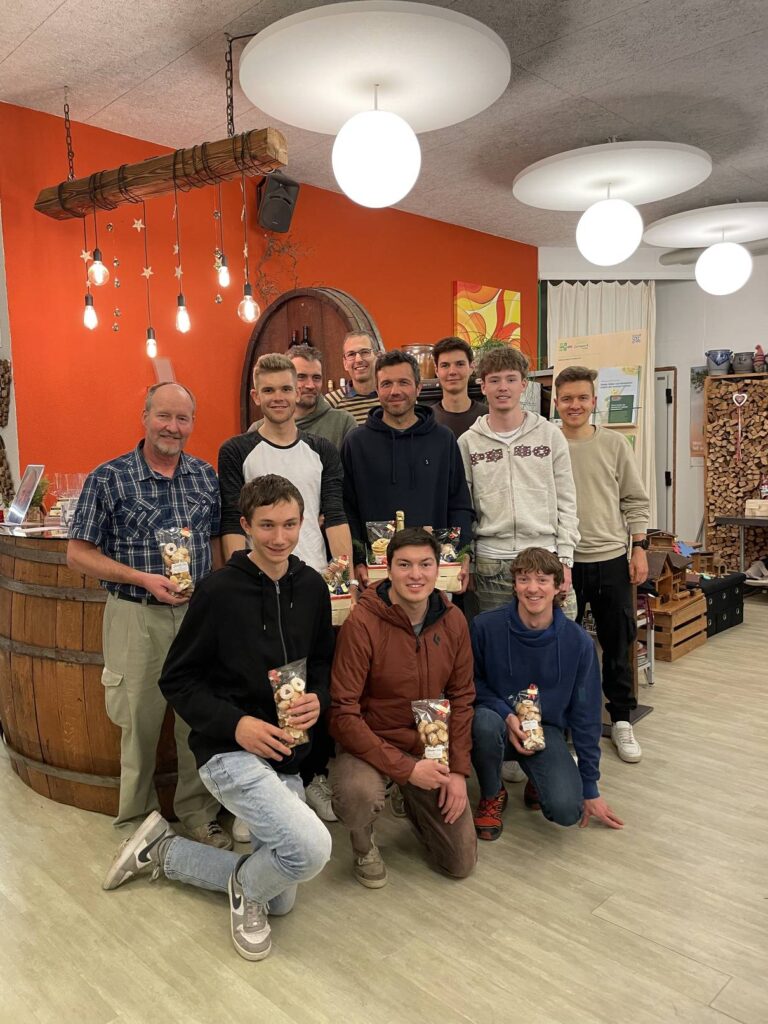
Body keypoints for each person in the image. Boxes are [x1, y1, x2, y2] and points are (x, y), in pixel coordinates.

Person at [102, 475, 335, 963]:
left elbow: (320, 663)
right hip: (228, 751)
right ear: (245, 525)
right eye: (267, 525)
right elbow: (178, 680)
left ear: (304, 523)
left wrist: (318, 696)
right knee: (311, 850)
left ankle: (163, 851)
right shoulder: (217, 591)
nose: (279, 538)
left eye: (290, 524)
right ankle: (246, 895)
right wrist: (237, 725)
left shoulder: (314, 586)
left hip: (288, 753)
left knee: (283, 897)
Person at [67, 382, 228, 848]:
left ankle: (198, 814)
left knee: (198, 720)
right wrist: (142, 578)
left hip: (197, 617)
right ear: (145, 417)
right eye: (164, 416)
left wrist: (218, 598)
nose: (172, 427)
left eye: (183, 419)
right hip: (136, 614)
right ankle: (138, 824)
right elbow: (78, 554)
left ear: (192, 424)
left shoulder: (205, 476)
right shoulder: (109, 478)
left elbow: (216, 544)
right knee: (137, 722)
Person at [219, 352, 353, 825]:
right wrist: (238, 582)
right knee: (258, 679)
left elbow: (334, 514)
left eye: (286, 389)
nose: (279, 398)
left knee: (314, 679)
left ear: (300, 392)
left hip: (314, 583)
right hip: (259, 579)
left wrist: (345, 581)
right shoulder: (237, 450)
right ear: (256, 395)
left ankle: (312, 774)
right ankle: (259, 783)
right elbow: (230, 520)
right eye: (269, 390)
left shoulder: (322, 449)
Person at [329, 527, 477, 887]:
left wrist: (458, 772)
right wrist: (407, 770)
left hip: (429, 742)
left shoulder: (453, 619)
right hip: (372, 741)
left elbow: (462, 697)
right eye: (405, 564)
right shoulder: (362, 622)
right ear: (388, 569)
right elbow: (343, 712)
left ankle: (411, 800)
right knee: (357, 795)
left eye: (425, 564)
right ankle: (363, 844)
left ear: (438, 568)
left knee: (460, 863)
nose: (416, 575)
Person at [470, 547, 624, 841]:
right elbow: (472, 682)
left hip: (546, 729)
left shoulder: (578, 643)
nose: (532, 588)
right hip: (496, 724)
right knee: (483, 723)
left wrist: (590, 787)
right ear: (514, 585)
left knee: (568, 811)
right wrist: (506, 715)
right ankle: (492, 793)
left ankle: (537, 779)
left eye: (542, 580)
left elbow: (586, 715)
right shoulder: (485, 627)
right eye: (524, 579)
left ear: (558, 586)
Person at [554, 365, 650, 763]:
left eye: (582, 398)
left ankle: (622, 719)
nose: (574, 405)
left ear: (594, 401)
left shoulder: (614, 444)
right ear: (556, 403)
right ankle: (566, 726)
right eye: (567, 398)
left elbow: (635, 499)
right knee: (565, 649)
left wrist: (639, 547)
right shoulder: (548, 443)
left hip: (610, 559)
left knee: (617, 642)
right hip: (564, 563)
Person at [458, 346, 579, 614]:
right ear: (483, 386)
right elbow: (464, 507)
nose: (503, 387)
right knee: (496, 639)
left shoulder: (549, 435)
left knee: (561, 636)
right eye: (494, 380)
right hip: (491, 564)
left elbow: (567, 501)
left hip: (546, 557)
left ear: (523, 384)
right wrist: (470, 559)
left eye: (511, 379)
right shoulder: (468, 442)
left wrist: (566, 558)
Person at [341, 349, 473, 590]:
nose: (395, 391)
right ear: (377, 389)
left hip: (435, 572)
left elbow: (459, 503)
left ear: (418, 388)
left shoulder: (443, 439)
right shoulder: (355, 443)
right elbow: (347, 509)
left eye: (403, 382)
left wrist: (462, 554)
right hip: (377, 575)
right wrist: (357, 559)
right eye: (386, 384)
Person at [249, 344, 357, 449]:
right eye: (301, 377)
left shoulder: (343, 422)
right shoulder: (258, 430)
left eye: (316, 378)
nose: (310, 385)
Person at [431, 336, 487, 440]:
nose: (452, 372)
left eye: (460, 364)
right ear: (436, 371)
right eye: (445, 365)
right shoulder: (426, 420)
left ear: (471, 367)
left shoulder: (488, 417)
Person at [325, 331, 380, 424]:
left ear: (377, 357)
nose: (358, 360)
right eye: (351, 354)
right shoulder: (331, 403)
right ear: (345, 363)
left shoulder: (390, 397)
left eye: (364, 352)